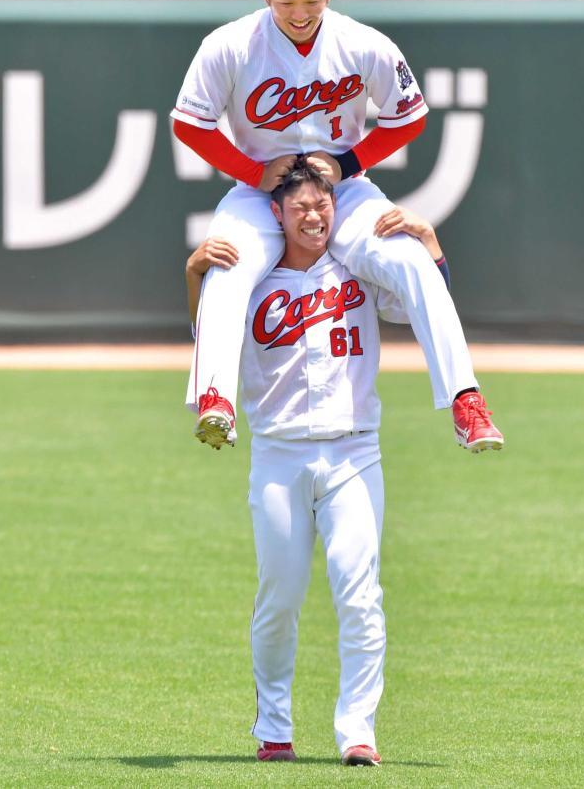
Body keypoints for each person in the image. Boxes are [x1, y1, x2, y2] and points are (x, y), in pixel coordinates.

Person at [172, 0, 503, 454]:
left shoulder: (362, 42)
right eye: (286, 2)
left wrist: (350, 161)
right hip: (260, 193)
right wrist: (254, 172)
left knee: (409, 258)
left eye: (311, 0)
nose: (300, 12)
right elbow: (190, 124)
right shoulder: (231, 44)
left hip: (341, 190)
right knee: (225, 265)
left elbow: (409, 116)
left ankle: (466, 400)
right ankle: (217, 398)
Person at [185, 159, 459, 767]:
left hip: (354, 450)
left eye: (323, 204)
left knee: (360, 594)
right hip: (278, 452)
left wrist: (430, 246)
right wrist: (194, 273)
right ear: (275, 213)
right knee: (279, 598)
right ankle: (274, 728)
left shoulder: (357, 269)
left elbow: (421, 303)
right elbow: (205, 333)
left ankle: (357, 730)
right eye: (301, 206)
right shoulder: (250, 278)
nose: (314, 215)